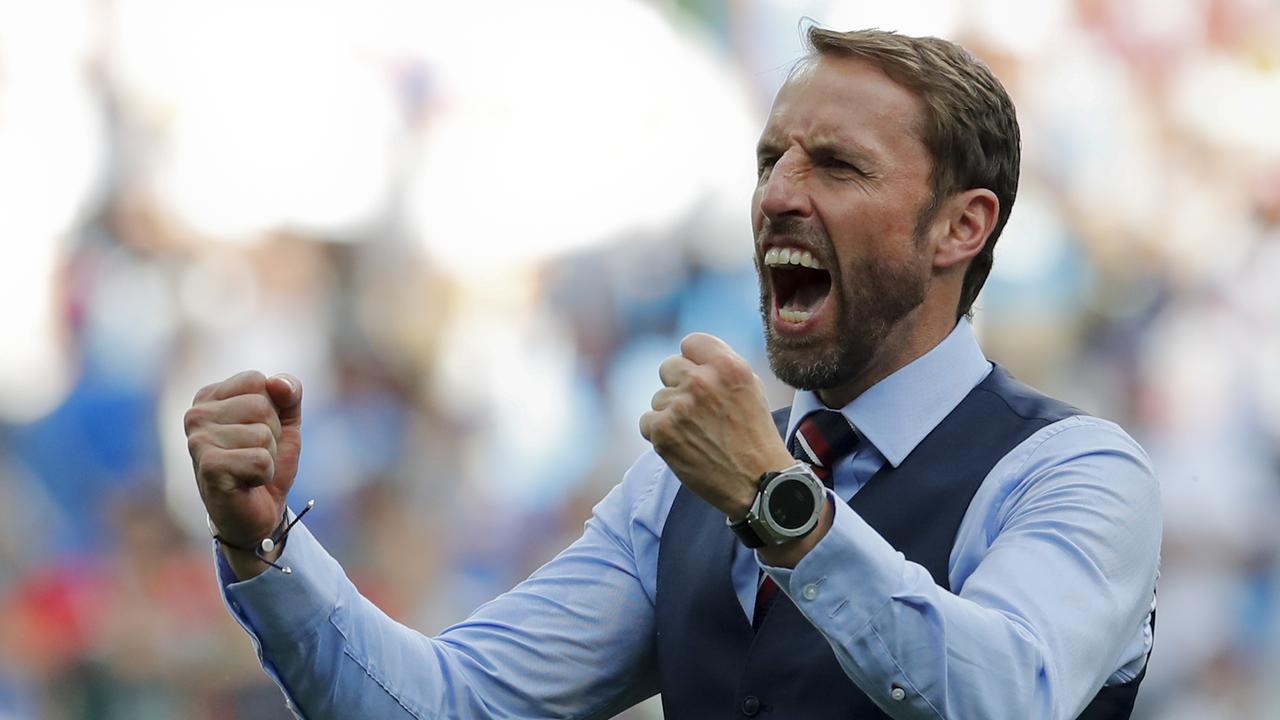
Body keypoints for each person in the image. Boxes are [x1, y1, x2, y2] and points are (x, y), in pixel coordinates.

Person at [183, 27, 1159, 720]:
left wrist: (775, 504)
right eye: (770, 158)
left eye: (835, 166)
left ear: (961, 225)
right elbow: (449, 703)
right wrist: (264, 544)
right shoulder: (682, 489)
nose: (775, 196)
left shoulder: (1072, 473)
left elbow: (1007, 699)